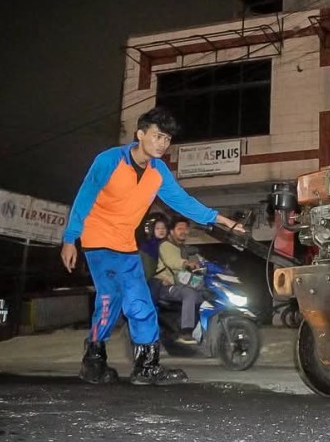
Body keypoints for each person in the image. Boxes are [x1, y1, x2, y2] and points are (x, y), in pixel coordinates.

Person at [61, 106, 244, 385]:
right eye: (158, 136)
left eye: (167, 139)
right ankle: (112, 361)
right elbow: (84, 196)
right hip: (97, 241)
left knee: (123, 300)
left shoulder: (158, 172)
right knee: (123, 300)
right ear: (140, 134)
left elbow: (183, 202)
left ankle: (119, 363)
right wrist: (69, 239)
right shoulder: (109, 160)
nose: (163, 144)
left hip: (124, 244)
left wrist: (222, 220)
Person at [153, 216, 201, 344]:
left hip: (177, 283)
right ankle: (185, 332)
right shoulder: (166, 245)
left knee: (202, 291)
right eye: (179, 229)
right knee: (189, 293)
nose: (183, 232)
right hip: (164, 286)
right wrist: (186, 263)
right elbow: (173, 262)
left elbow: (194, 263)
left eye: (185, 229)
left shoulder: (181, 247)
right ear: (172, 231)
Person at [139, 214, 169, 279]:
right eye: (157, 228)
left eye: (163, 228)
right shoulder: (147, 247)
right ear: (153, 231)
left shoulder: (170, 245)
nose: (161, 230)